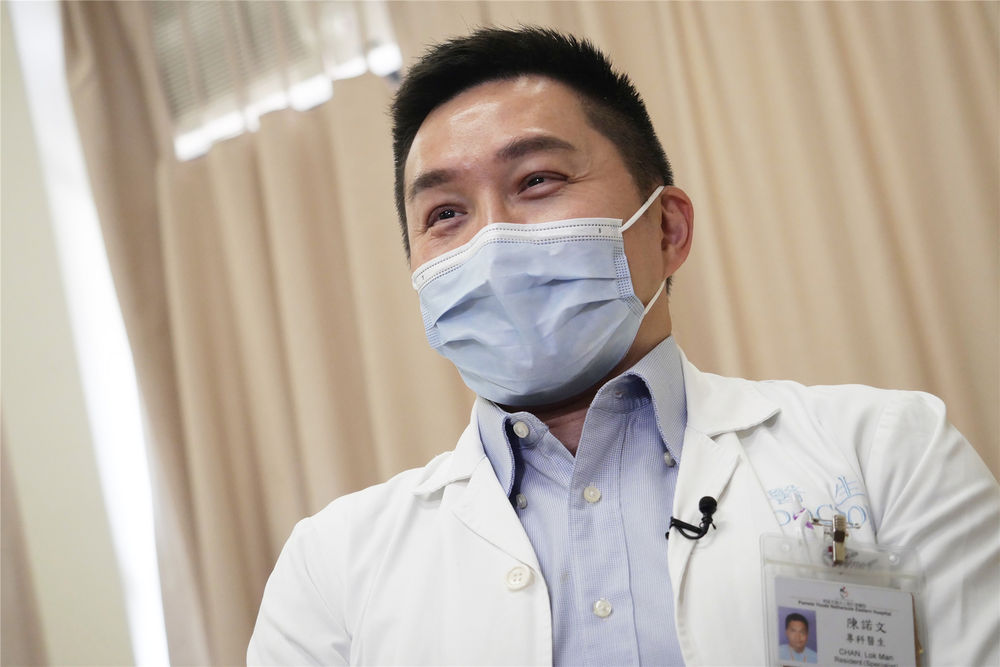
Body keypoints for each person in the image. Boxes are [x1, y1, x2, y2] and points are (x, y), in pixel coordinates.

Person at [248, 27, 999, 666]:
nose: (492, 240)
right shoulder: (333, 566)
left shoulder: (888, 454)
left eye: (537, 180)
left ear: (667, 228)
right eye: (445, 213)